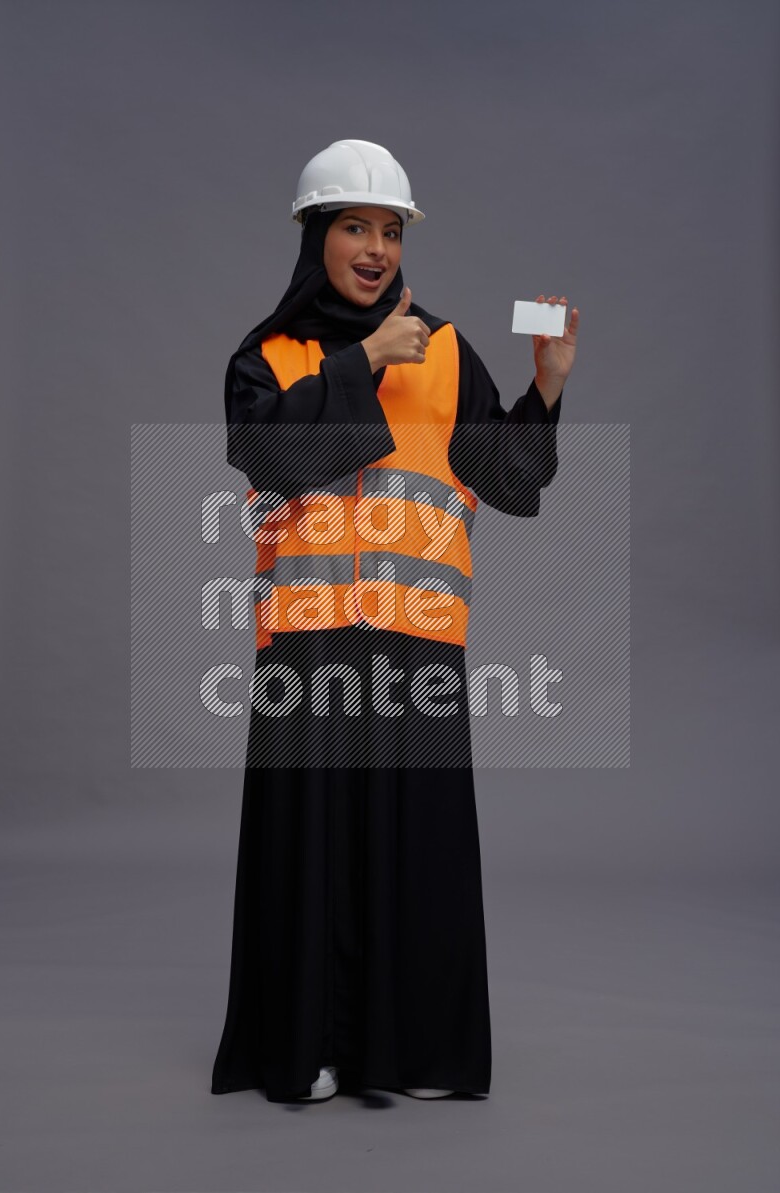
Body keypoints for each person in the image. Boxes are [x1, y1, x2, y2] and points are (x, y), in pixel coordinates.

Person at [210, 139, 579, 1104]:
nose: (375, 248)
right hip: (308, 648)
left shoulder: (449, 349)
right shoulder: (268, 357)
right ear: (315, 239)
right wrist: (363, 360)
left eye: (390, 230)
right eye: (354, 228)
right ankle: (313, 1049)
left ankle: (415, 1054)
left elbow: (512, 479)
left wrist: (545, 386)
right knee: (312, 852)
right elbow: (266, 456)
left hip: (418, 650)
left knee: (420, 855)